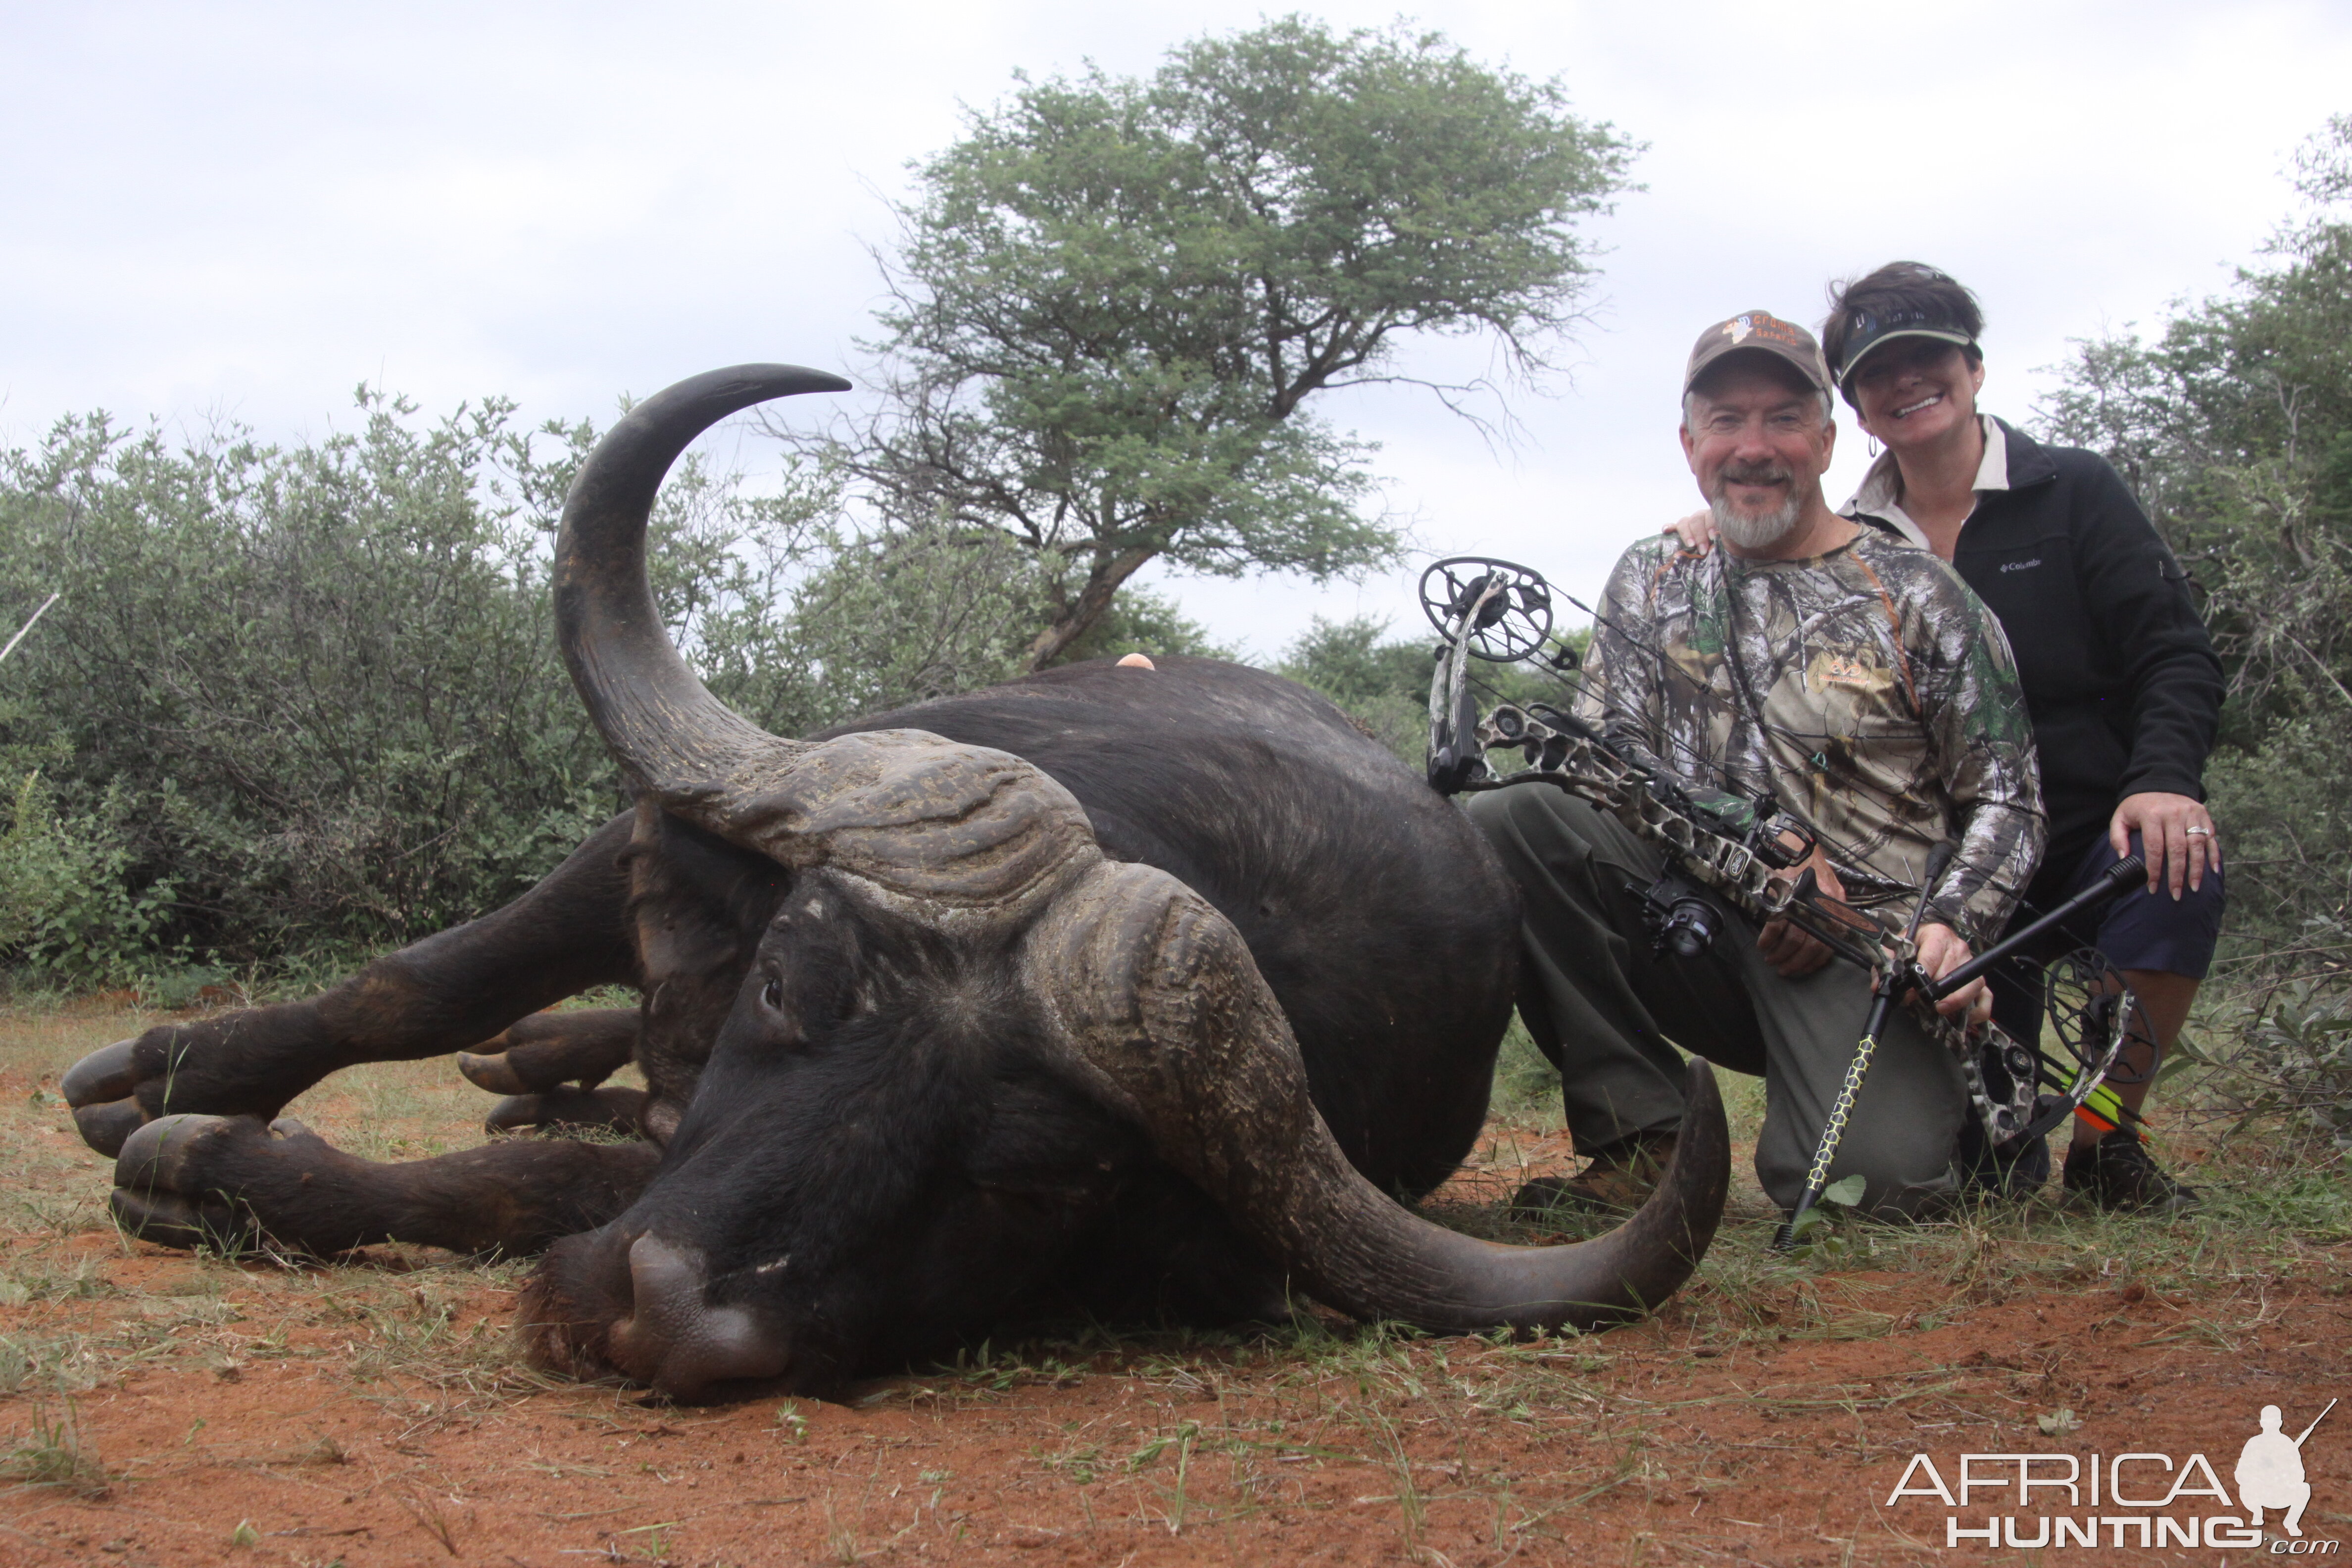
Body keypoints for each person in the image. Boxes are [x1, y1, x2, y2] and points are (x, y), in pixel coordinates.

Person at [1664, 264, 2223, 1211]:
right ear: (1854, 408)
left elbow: (2174, 654)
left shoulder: (2073, 489)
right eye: (1880, 370)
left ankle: (2106, 1141)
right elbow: (1758, 528)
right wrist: (1710, 529)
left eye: (1929, 358)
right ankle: (1992, 1126)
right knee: (1978, 1170)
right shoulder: (1846, 528)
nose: (1908, 382)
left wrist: (2161, 780)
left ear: (1972, 368)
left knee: (2179, 870)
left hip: (2081, 832)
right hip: (1928, 869)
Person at [1469, 310, 2045, 1220]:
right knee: (1509, 819)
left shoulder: (1920, 593)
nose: (1753, 448)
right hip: (1695, 920)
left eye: (1782, 418)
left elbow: (2009, 801)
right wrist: (1772, 849)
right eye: (1726, 421)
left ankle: (1923, 1110)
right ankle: (1641, 1142)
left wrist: (1953, 926)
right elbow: (1603, 765)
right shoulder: (1653, 575)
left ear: (1826, 439)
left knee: (1865, 1196)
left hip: (1863, 953)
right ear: (1689, 442)